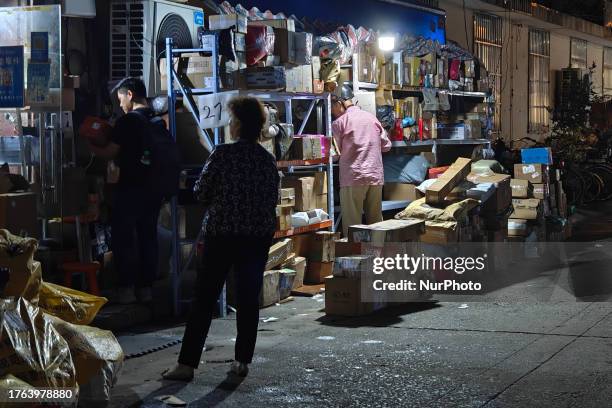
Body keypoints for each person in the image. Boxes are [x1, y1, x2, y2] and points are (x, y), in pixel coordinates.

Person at [162, 97, 280, 381]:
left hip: (222, 235)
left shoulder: (223, 154)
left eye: (232, 120)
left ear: (237, 124)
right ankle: (242, 362)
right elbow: (271, 201)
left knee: (204, 298)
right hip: (255, 237)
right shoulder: (267, 161)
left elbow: (202, 192)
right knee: (248, 298)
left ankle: (187, 364)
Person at [87, 77, 164, 304]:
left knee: (124, 237)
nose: (120, 104)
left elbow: (110, 152)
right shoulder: (157, 119)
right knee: (148, 236)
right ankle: (146, 289)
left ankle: (127, 289)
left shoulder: (128, 121)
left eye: (121, 98)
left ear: (129, 94)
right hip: (154, 188)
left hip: (131, 187)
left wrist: (90, 146)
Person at [331, 94, 392, 237]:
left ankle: (355, 257)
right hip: (375, 176)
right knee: (376, 221)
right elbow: (387, 145)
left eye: (332, 108)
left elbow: (335, 154)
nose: (333, 113)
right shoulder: (372, 118)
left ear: (338, 104)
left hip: (353, 177)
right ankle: (379, 255)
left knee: (353, 225)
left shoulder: (340, 123)